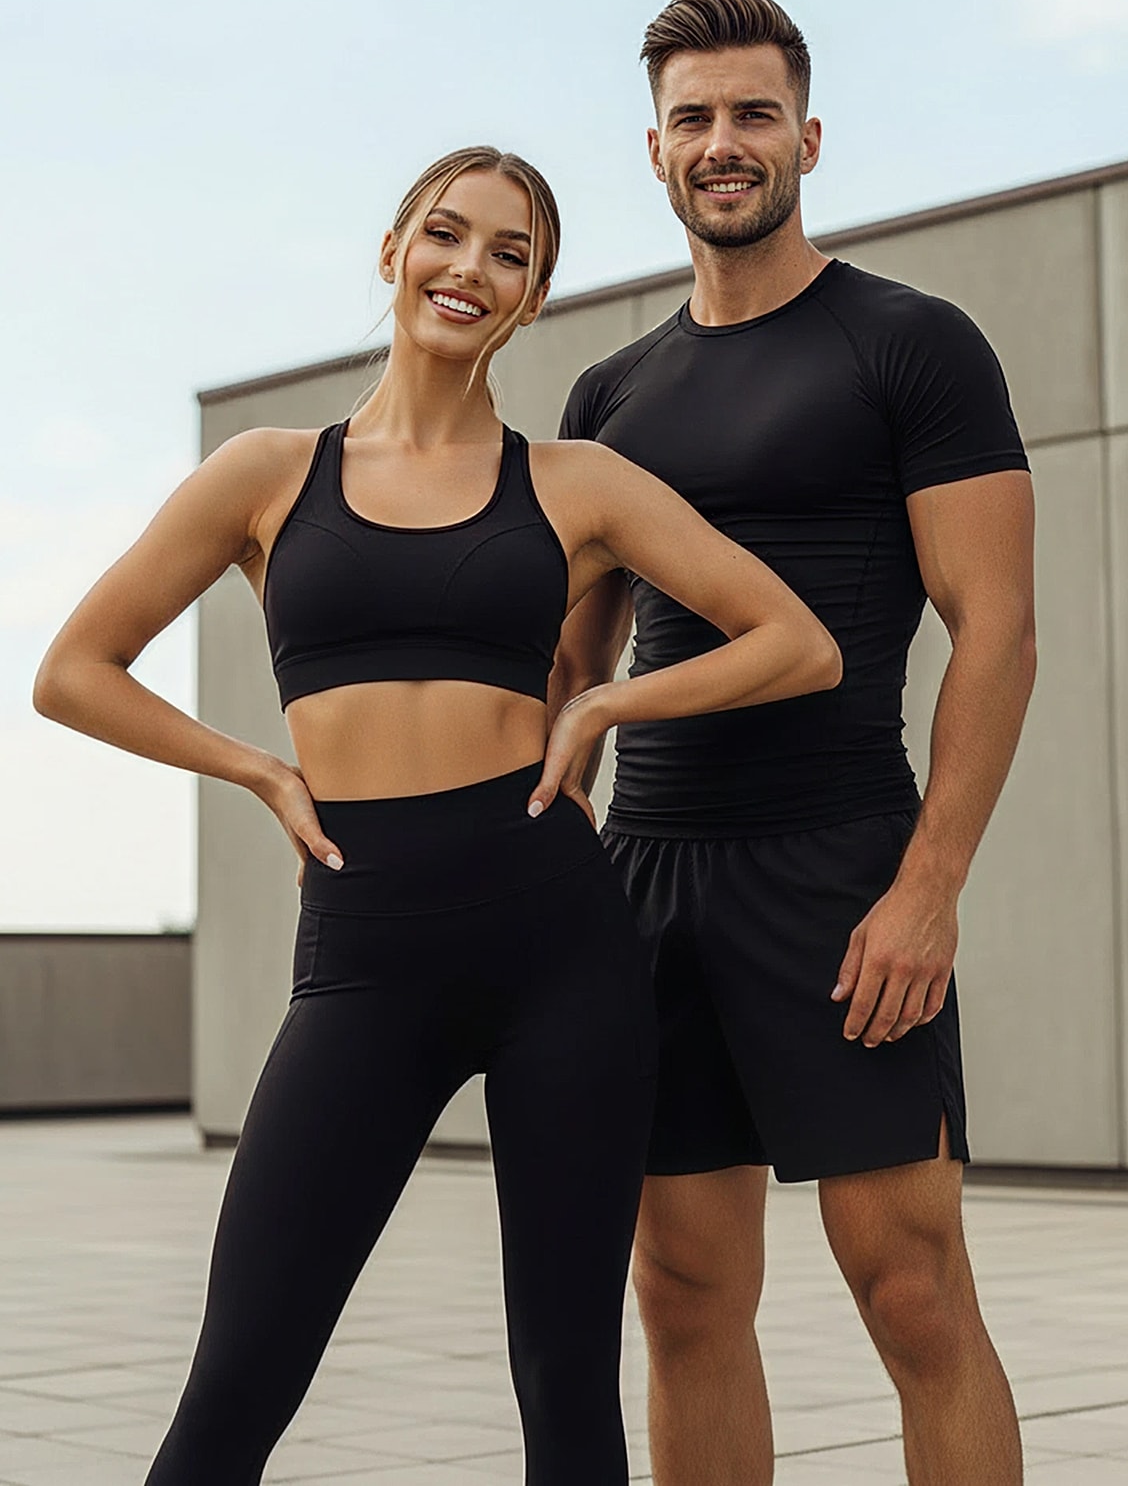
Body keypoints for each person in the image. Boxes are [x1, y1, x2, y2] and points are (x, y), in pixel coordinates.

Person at [33, 144, 840, 1486]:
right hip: (363, 945)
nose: (471, 267)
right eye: (447, 235)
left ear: (532, 302)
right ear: (395, 253)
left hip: (556, 945)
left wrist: (596, 712)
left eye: (509, 255)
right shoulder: (269, 474)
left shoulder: (575, 482)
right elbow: (72, 672)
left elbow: (796, 642)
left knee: (568, 1396)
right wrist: (259, 771)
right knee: (235, 1385)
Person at [552, 0, 1036, 1484]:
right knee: (683, 1293)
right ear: (653, 149)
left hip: (840, 868)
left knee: (911, 1289)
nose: (724, 144)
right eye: (694, 118)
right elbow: (567, 678)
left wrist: (929, 882)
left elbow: (998, 628)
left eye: (753, 114)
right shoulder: (610, 395)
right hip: (650, 878)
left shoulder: (914, 345)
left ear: (807, 137)